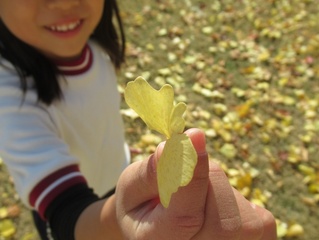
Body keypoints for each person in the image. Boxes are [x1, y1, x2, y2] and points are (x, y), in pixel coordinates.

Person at [0, 0, 277, 239]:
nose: (64, 2)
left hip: (116, 175)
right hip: (82, 214)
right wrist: (121, 218)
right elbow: (68, 215)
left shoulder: (94, 47)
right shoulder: (9, 102)